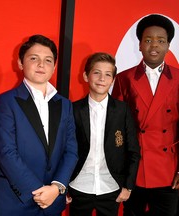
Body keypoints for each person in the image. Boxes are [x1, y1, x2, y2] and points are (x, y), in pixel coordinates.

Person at [111, 14, 179, 216]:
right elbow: (116, 126)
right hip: (134, 167)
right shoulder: (124, 78)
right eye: (148, 40)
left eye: (161, 41)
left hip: (168, 168)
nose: (154, 46)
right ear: (139, 45)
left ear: (168, 46)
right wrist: (118, 165)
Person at [0, 34, 78, 216]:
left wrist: (57, 187)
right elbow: (6, 152)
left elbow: (71, 151)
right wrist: (39, 192)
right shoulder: (5, 102)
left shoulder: (65, 104)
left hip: (53, 201)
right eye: (33, 58)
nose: (41, 65)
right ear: (21, 63)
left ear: (54, 67)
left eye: (48, 60)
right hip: (15, 200)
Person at [68, 52, 141, 216]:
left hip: (111, 186)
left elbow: (133, 151)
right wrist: (63, 184)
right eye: (96, 73)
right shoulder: (72, 110)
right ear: (86, 76)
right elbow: (64, 151)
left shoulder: (122, 110)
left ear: (113, 80)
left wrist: (128, 186)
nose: (102, 78)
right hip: (79, 186)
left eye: (108, 74)